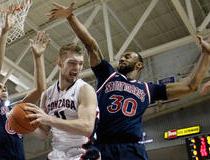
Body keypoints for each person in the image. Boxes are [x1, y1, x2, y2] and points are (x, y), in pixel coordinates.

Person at [47, 2, 210, 159]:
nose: (122, 59)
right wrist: (70, 17)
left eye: (127, 56)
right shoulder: (108, 75)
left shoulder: (148, 89)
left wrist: (206, 55)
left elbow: (191, 85)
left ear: (139, 65)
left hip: (132, 148)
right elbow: (91, 45)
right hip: (101, 145)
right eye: (122, 56)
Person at [0, 6, 50, 160]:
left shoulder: (17, 109)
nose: (3, 88)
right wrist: (4, 32)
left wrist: (38, 58)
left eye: (5, 87)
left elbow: (39, 89)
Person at [24, 42, 100, 160]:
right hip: (57, 155)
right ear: (59, 63)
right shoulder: (47, 94)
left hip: (83, 153)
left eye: (80, 64)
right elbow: (43, 133)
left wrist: (49, 119)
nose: (77, 68)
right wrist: (24, 124)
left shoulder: (85, 90)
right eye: (72, 63)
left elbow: (87, 127)